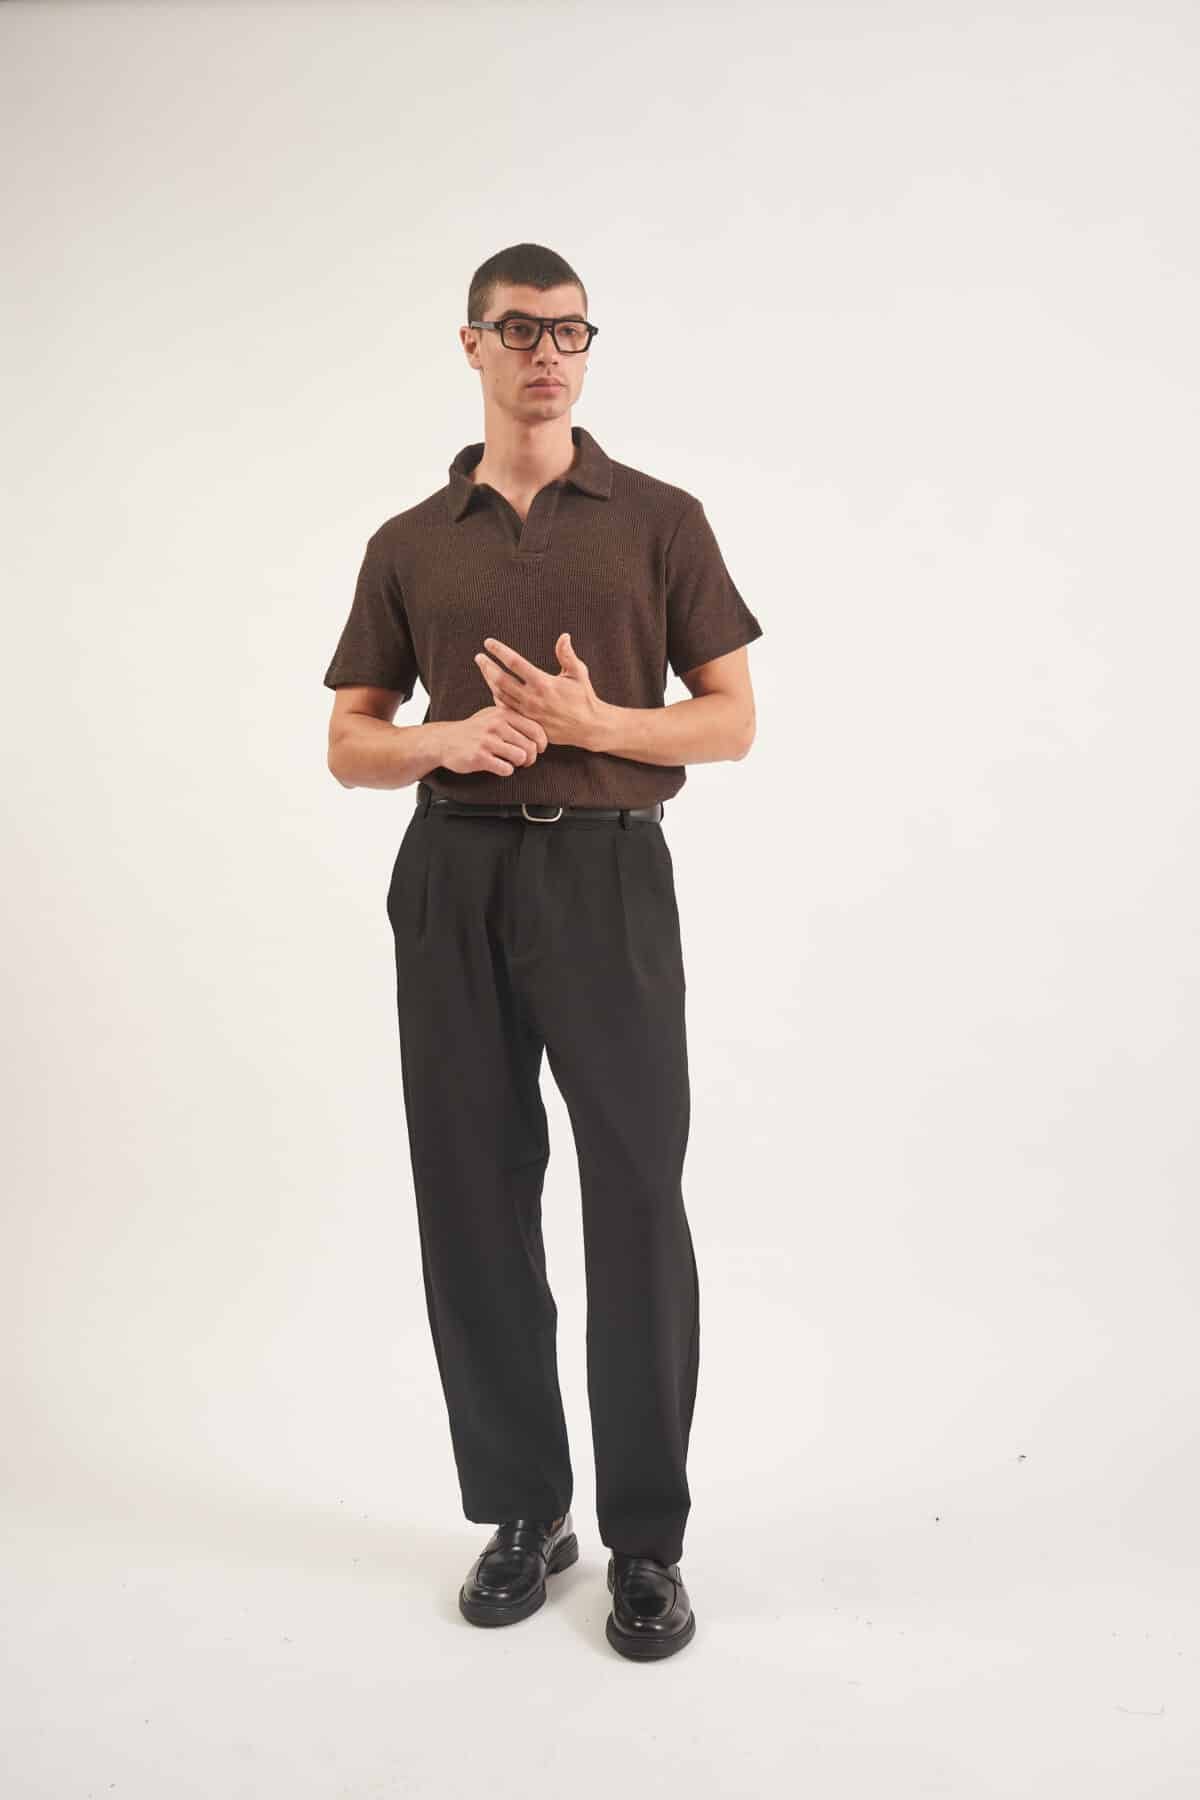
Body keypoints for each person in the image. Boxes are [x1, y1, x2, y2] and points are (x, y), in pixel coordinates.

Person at [323, 242, 762, 1661]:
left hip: (608, 874)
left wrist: (595, 726)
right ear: (472, 345)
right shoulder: (411, 541)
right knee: (472, 1191)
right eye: (520, 330)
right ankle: (525, 1510)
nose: (548, 355)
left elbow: (732, 720)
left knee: (635, 1195)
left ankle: (647, 1541)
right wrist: (445, 740)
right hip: (453, 876)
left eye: (571, 332)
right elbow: (348, 743)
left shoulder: (660, 521)